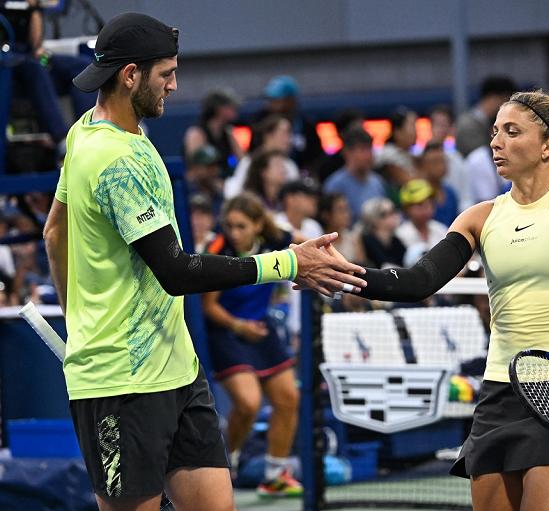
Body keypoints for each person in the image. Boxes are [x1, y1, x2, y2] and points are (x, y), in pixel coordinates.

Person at [42, 13, 366, 511]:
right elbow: (174, 271)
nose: (174, 83)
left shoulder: (86, 131)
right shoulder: (115, 160)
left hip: (177, 372)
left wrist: (75, 318)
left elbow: (53, 232)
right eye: (165, 73)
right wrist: (287, 264)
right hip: (122, 384)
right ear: (130, 75)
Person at [342, 88, 549, 510]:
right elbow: (416, 282)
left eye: (511, 132)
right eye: (494, 131)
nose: (496, 142)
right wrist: (343, 275)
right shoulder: (480, 217)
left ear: (548, 147)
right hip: (499, 396)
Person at [202, 193, 302, 497]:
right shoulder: (218, 248)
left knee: (288, 398)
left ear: (258, 224)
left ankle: (275, 476)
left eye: (242, 226)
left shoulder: (276, 238)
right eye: (230, 225)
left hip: (260, 328)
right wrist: (238, 326)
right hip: (226, 329)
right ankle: (225, 463)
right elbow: (208, 305)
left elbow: (310, 245)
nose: (234, 232)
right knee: (248, 403)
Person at [2, 0, 95, 145]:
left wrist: (34, 9)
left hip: (30, 58)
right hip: (9, 61)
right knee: (34, 68)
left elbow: (36, 47)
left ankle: (89, 133)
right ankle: (62, 140)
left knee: (82, 66)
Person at [252, 75, 324, 172]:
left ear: (290, 101)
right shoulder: (260, 123)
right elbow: (254, 152)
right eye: (270, 100)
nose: (271, 104)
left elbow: (317, 156)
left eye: (277, 100)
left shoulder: (305, 125)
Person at [323, 127, 386, 222]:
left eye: (370, 149)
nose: (368, 155)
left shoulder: (377, 182)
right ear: (347, 152)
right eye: (363, 149)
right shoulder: (335, 185)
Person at [183, 88, 244, 179]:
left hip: (223, 183)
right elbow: (197, 169)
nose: (235, 111)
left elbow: (242, 161)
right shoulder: (196, 134)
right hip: (200, 186)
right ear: (219, 109)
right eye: (231, 107)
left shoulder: (228, 133)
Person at [455, 76, 517, 157]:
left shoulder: (487, 122)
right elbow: (483, 157)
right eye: (505, 100)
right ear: (492, 98)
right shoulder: (468, 125)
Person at [417, 141, 460, 226]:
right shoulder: (418, 194)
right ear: (423, 165)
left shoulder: (451, 193)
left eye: (443, 161)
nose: (441, 166)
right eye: (435, 162)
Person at [357, 197, 406, 269]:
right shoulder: (367, 240)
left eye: (394, 211)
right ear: (375, 219)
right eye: (389, 213)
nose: (395, 216)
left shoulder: (395, 240)